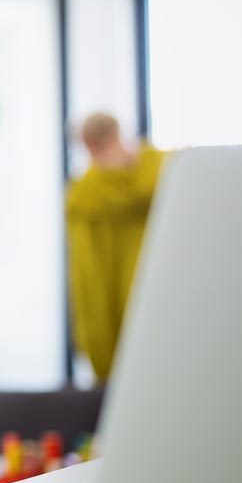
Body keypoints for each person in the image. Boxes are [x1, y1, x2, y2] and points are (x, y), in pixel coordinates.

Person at [65, 112, 165, 382]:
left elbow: (87, 278)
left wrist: (95, 345)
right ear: (119, 132)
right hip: (166, 307)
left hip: (115, 328)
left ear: (87, 143)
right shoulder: (166, 174)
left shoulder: (84, 197)